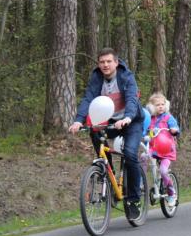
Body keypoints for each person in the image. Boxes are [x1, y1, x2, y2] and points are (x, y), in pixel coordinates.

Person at [69, 48, 144, 221]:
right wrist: (79, 120)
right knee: (94, 130)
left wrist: (127, 117)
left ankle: (133, 200)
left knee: (130, 154)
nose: (105, 65)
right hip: (110, 121)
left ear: (116, 63)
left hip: (131, 121)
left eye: (109, 61)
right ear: (98, 64)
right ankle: (107, 174)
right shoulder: (96, 78)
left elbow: (132, 99)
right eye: (102, 62)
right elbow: (88, 99)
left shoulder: (126, 77)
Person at [143, 92, 180, 207]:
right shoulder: (150, 119)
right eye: (157, 105)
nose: (160, 106)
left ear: (166, 105)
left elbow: (175, 127)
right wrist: (143, 135)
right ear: (152, 107)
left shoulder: (168, 117)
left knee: (163, 171)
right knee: (143, 157)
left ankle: (171, 193)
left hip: (166, 150)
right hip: (153, 148)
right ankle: (141, 181)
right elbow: (144, 130)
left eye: (162, 104)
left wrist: (174, 130)